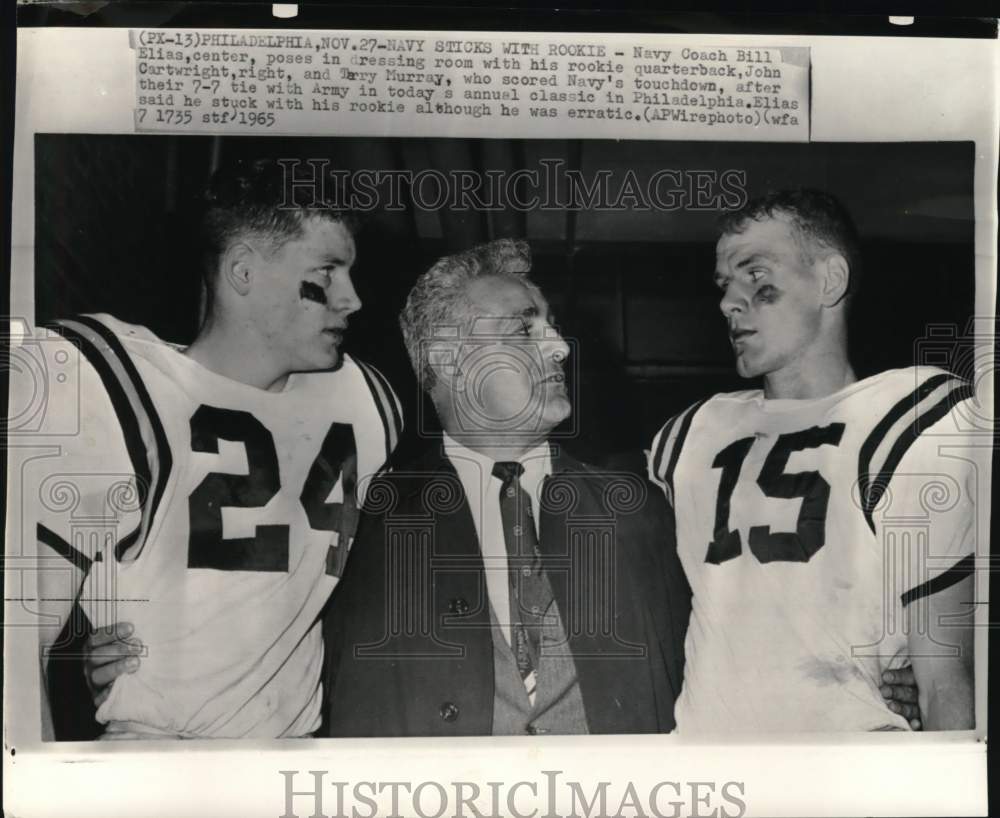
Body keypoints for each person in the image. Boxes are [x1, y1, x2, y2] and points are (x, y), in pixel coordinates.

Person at [26, 158, 401, 739]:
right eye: (326, 272)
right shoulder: (115, 384)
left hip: (293, 765)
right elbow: (20, 639)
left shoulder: (367, 402)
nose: (351, 299)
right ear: (243, 273)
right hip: (157, 761)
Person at [323, 239, 690, 736]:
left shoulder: (641, 511)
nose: (559, 346)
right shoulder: (366, 522)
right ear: (449, 359)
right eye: (524, 328)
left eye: (552, 326)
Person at [649, 189, 979, 732]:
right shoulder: (690, 434)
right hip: (713, 775)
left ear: (830, 281)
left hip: (850, 774)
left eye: (754, 274)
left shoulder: (913, 416)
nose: (729, 302)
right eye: (724, 285)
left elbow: (945, 673)